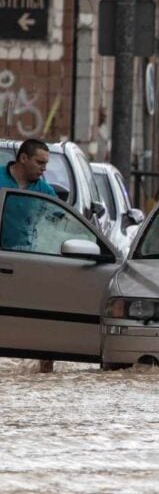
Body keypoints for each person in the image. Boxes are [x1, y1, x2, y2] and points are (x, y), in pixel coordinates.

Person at [0, 139, 58, 373]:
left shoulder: (45, 191)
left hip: (27, 262)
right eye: (40, 162)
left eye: (46, 164)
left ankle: (45, 370)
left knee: (40, 315)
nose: (44, 169)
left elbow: (59, 225)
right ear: (23, 158)